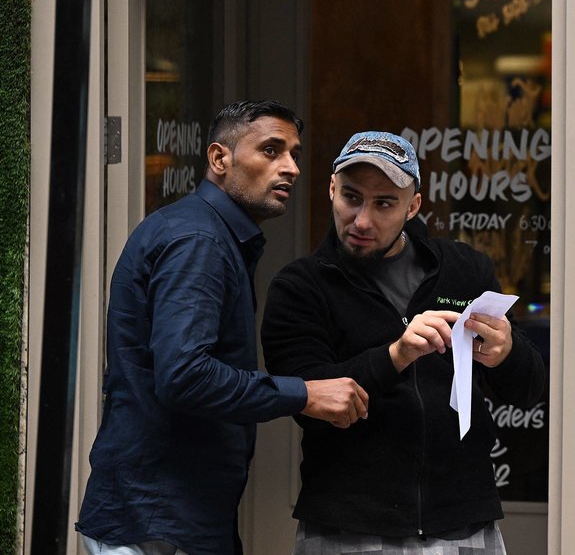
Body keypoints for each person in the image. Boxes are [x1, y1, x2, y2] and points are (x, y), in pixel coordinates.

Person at [76, 100, 370, 555]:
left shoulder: (204, 232)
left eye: (294, 154)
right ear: (219, 158)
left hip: (171, 515)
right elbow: (185, 375)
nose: (291, 167)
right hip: (158, 521)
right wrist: (305, 394)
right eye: (271, 150)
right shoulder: (200, 240)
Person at [260, 131, 545, 554]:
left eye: (384, 204)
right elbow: (308, 400)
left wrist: (507, 354)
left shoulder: (464, 269)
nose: (362, 220)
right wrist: (397, 355)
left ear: (413, 207)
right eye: (352, 197)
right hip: (349, 526)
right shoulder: (300, 287)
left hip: (463, 521)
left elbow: (527, 390)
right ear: (332, 189)